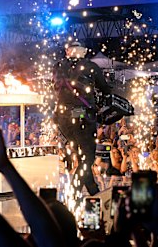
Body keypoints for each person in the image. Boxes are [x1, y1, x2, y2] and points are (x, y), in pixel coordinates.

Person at [52, 40, 112, 197]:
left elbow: (55, 87)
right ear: (84, 52)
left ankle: (93, 191)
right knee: (89, 156)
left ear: (68, 52)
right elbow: (104, 88)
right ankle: (74, 192)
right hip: (80, 113)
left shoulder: (58, 66)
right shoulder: (90, 66)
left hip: (61, 116)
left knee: (81, 155)